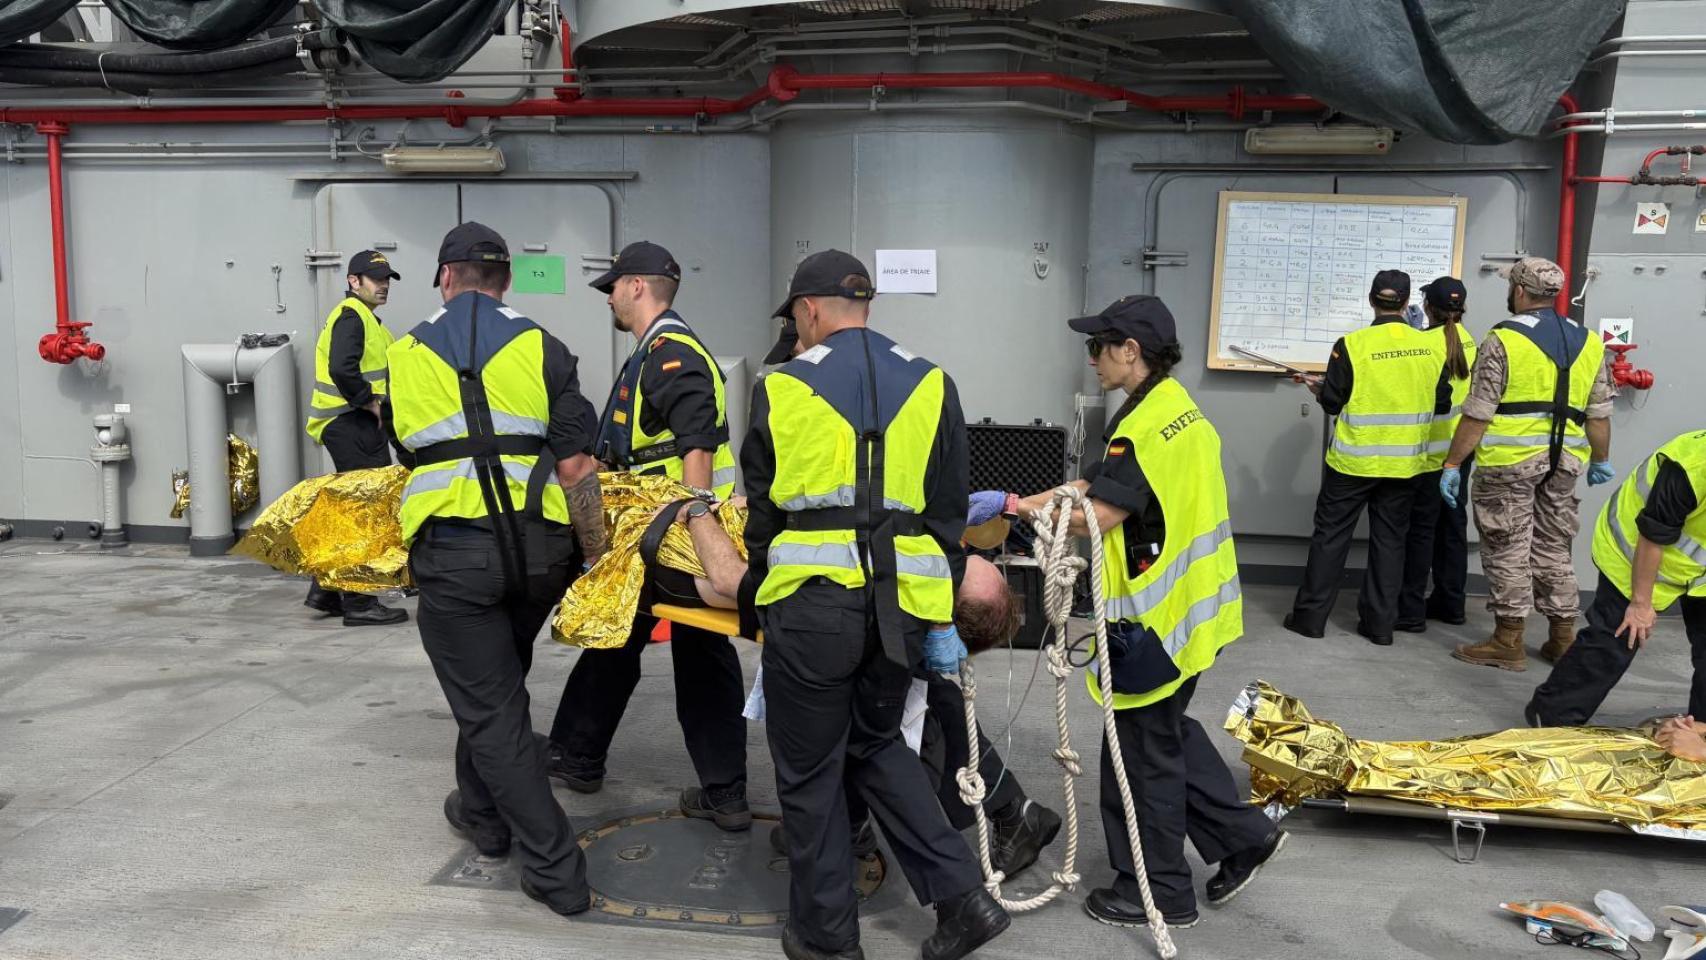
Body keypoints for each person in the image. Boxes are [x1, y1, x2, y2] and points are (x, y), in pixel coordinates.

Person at [742, 250, 1008, 960]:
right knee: (875, 743)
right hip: (905, 613)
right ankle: (963, 899)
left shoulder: (783, 386)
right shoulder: (934, 382)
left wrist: (751, 599)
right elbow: (950, 514)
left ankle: (829, 940)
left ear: (809, 309)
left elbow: (763, 516)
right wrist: (944, 617)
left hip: (813, 609)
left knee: (809, 773)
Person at [1008, 294, 1283, 931]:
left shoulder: (1139, 427)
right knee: (1166, 734)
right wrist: (1020, 502)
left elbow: (1098, 515)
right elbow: (1099, 485)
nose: (1092, 360)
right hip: (1198, 615)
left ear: (1130, 352)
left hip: (1151, 627)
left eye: (1097, 347)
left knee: (1138, 758)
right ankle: (1244, 836)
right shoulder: (1176, 412)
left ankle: (1157, 894)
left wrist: (1021, 523)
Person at [386, 222, 609, 918]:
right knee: (493, 689)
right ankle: (480, 811)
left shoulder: (401, 356)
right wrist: (599, 553)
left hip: (456, 557)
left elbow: (408, 450)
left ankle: (553, 866)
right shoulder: (545, 348)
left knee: (492, 709)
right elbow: (577, 468)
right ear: (506, 280)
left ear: (445, 278)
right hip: (540, 556)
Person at [546, 241, 750, 831]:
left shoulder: (670, 353)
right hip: (651, 537)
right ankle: (579, 754)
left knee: (693, 652)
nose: (608, 295)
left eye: (613, 285)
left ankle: (723, 789)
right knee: (623, 640)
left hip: (668, 539)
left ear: (638, 286)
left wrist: (694, 538)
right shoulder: (652, 351)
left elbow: (697, 449)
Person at [1440, 257, 1614, 671]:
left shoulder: (1504, 339)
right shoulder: (1590, 341)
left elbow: (1479, 411)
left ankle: (1508, 641)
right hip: (1565, 463)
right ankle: (1562, 638)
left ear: (1519, 290)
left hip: (1510, 463)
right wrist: (1601, 460)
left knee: (1508, 547)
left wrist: (1452, 463)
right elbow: (1599, 414)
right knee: (1555, 546)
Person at [1284, 271, 1454, 646]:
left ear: (1372, 299)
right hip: (1404, 464)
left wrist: (1318, 388)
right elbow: (1442, 401)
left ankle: (1310, 620)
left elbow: (1333, 401)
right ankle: (1379, 626)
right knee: (1390, 541)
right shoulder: (1432, 347)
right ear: (1407, 302)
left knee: (1331, 537)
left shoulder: (1352, 345)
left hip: (1353, 462)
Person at [1527, 431, 1706, 726]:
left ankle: (1698, 731)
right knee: (1619, 633)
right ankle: (1552, 715)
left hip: (1696, 568)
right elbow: (1653, 535)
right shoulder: (1692, 466)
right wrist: (1640, 603)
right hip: (1633, 551)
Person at [302, 250, 409, 627]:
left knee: (354, 507)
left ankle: (326, 591)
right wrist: (367, 401)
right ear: (353, 281)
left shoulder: (370, 323)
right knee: (365, 511)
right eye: (375, 278)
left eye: (387, 279)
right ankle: (359, 603)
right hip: (349, 421)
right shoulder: (352, 316)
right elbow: (341, 367)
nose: (383, 286)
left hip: (351, 424)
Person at [1395, 277, 1477, 632]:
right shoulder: (1475, 342)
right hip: (1460, 452)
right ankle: (1451, 603)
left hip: (1428, 454)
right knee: (1454, 528)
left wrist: (1412, 334)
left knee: (1420, 532)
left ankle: (1411, 612)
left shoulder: (1421, 345)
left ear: (1426, 307)